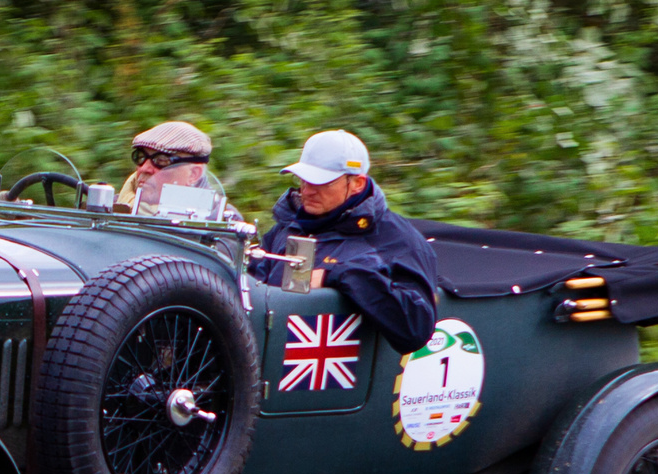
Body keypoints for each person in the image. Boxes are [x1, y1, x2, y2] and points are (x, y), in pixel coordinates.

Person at [249, 130, 439, 355]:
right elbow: (251, 290)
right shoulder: (288, 225)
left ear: (357, 183)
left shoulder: (399, 242)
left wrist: (336, 275)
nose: (307, 190)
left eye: (322, 182)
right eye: (303, 179)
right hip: (260, 359)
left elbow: (416, 331)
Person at [115, 121, 212, 214]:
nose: (144, 168)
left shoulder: (221, 223)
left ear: (193, 175)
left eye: (161, 160)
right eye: (140, 157)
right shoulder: (107, 210)